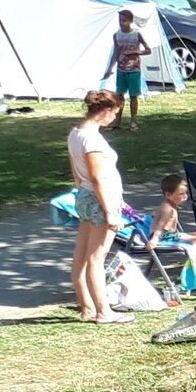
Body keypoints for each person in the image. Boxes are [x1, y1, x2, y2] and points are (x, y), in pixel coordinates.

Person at [68, 90, 130, 324]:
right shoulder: (92, 140)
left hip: (85, 196)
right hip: (99, 200)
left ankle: (87, 307)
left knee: (81, 255)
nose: (114, 118)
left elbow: (77, 173)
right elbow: (97, 178)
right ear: (105, 111)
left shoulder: (75, 133)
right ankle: (104, 312)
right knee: (96, 258)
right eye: (115, 113)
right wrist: (110, 212)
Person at [107, 10, 150, 129]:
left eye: (124, 20)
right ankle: (117, 121)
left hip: (134, 70)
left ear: (130, 21)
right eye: (120, 20)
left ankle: (133, 121)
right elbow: (115, 53)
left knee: (133, 96)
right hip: (121, 69)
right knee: (119, 96)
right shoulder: (116, 35)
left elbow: (148, 50)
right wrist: (110, 68)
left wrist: (136, 52)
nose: (121, 23)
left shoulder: (136, 34)